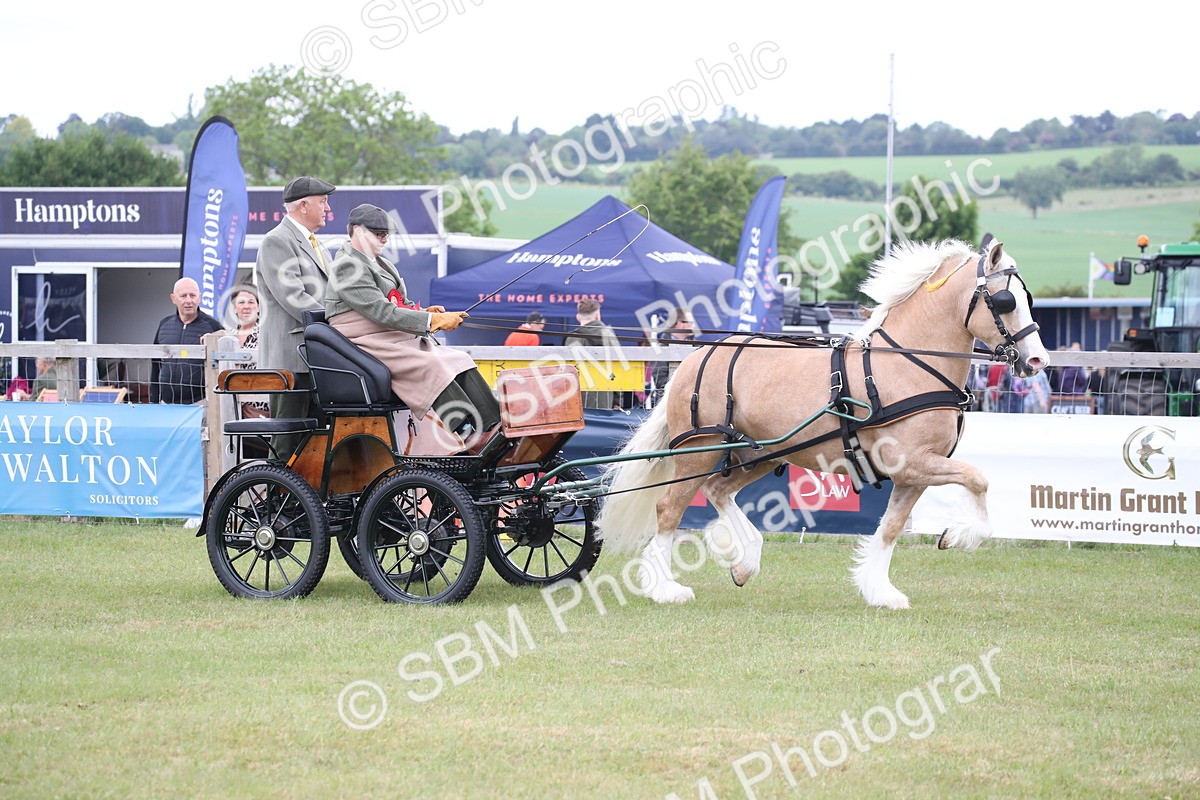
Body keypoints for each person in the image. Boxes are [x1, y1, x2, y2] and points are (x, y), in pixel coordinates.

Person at [324, 204, 501, 445]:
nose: (384, 238)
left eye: (386, 233)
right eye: (378, 233)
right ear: (356, 231)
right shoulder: (346, 265)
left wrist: (426, 312)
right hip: (363, 340)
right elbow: (380, 310)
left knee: (458, 359)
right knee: (431, 364)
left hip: (388, 334)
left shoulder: (380, 263)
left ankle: (494, 424)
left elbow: (399, 303)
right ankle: (467, 432)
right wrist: (431, 321)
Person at [256, 176, 335, 451]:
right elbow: (294, 298)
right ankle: (276, 495)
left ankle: (306, 495)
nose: (327, 208)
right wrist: (337, 320)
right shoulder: (276, 241)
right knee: (287, 441)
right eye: (322, 202)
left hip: (316, 357)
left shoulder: (317, 245)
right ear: (303, 205)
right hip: (291, 361)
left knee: (315, 442)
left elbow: (334, 294)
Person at [150, 277, 222, 404]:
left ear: (199, 297)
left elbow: (224, 363)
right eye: (183, 296)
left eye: (192, 295)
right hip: (166, 404)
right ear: (173, 298)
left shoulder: (213, 327)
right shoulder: (164, 325)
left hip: (200, 404)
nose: (189, 300)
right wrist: (154, 400)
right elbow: (155, 364)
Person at [564, 298, 621, 410]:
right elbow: (618, 368)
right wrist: (617, 400)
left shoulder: (572, 338)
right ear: (597, 316)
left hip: (577, 397)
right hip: (605, 395)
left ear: (578, 317)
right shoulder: (610, 336)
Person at [227, 283, 269, 419]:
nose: (246, 306)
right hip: (231, 405)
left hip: (260, 405)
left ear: (258, 307)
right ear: (235, 308)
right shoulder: (228, 336)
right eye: (241, 302)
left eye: (251, 302)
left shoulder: (267, 334)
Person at [648, 307, 696, 407]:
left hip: (692, 403)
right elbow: (659, 380)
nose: (694, 326)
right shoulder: (662, 349)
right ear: (680, 324)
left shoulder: (697, 348)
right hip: (668, 404)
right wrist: (683, 388)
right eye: (691, 323)